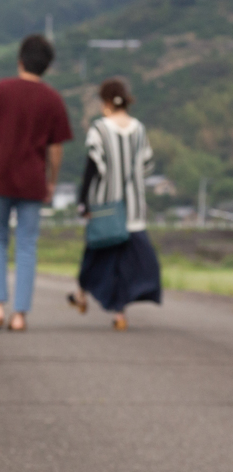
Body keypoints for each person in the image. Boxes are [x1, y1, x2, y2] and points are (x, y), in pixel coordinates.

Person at [0, 35, 73, 331]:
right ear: (46, 66)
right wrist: (52, 181)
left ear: (19, 60)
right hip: (33, 181)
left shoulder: (0, 90)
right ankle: (19, 315)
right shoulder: (53, 99)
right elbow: (56, 149)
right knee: (27, 246)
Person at [68, 79, 161, 330]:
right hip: (132, 207)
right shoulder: (139, 129)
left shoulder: (99, 129)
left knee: (98, 252)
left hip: (106, 206)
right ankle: (119, 312)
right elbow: (147, 165)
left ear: (106, 102)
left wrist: (82, 201)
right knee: (128, 262)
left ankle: (81, 292)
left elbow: (92, 168)